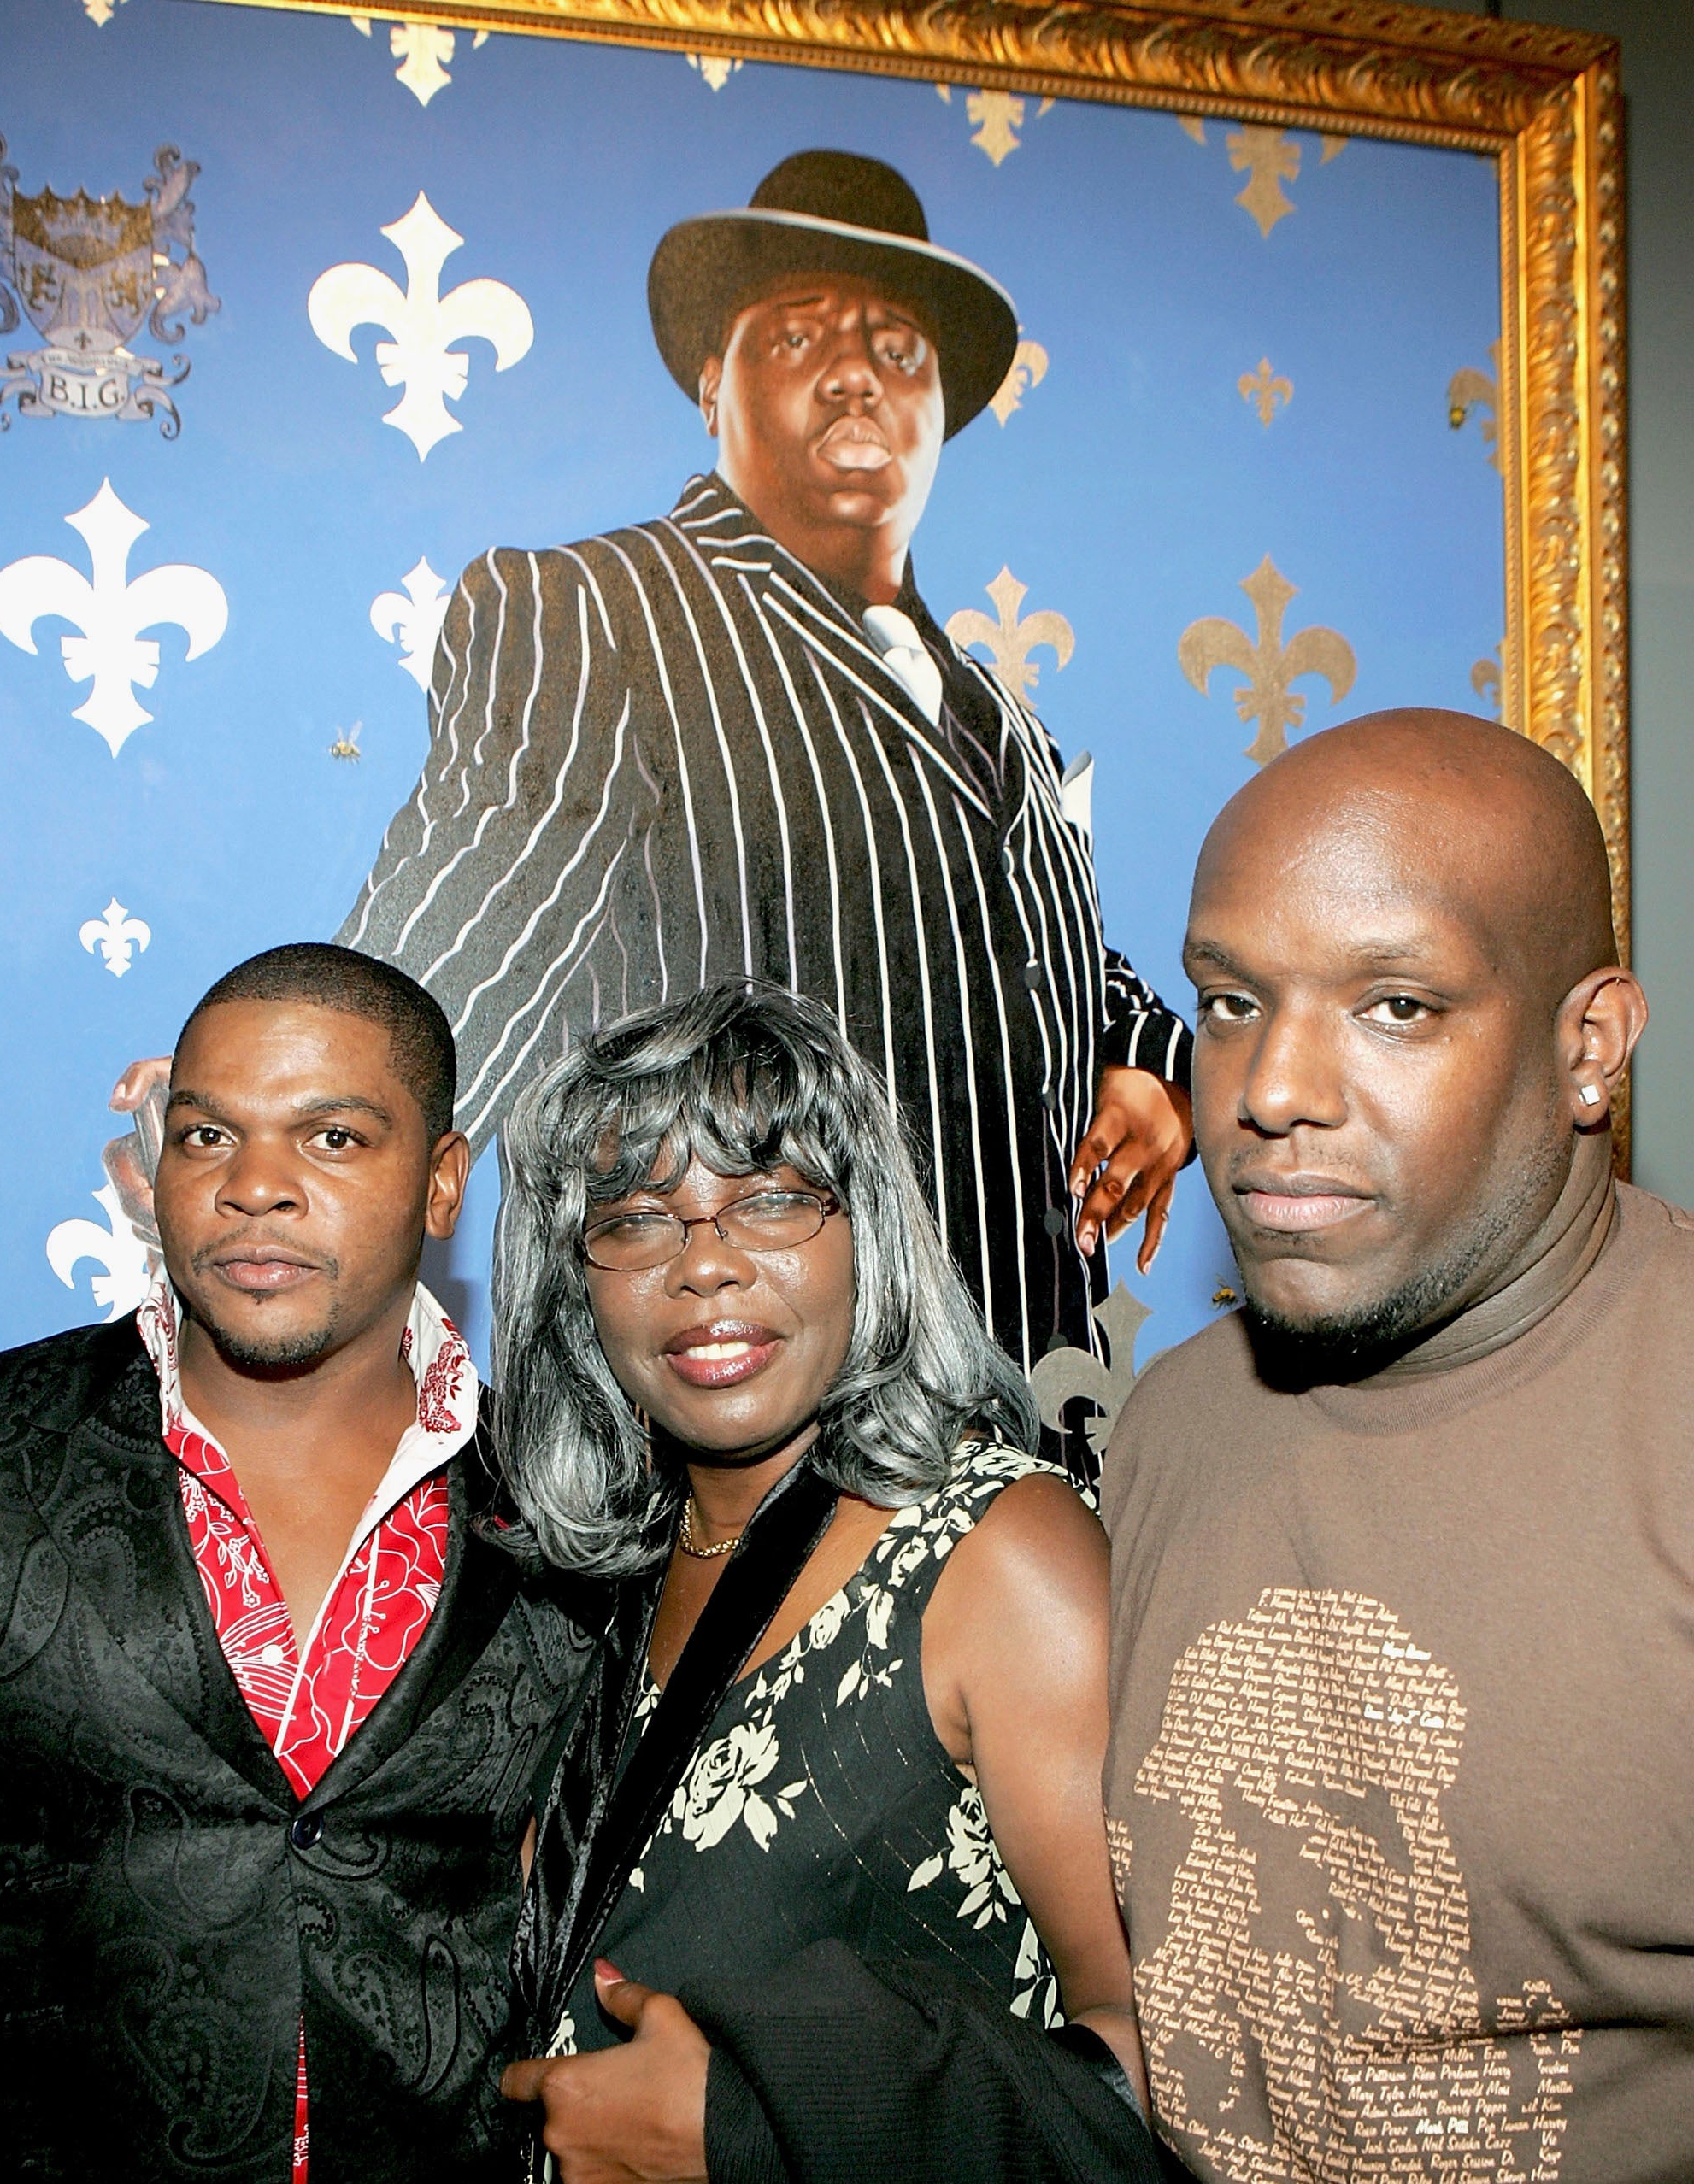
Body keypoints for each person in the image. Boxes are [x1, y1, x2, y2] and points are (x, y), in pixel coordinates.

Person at [491, 979, 1273, 2184]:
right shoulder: (620, 1580)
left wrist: (761, 2131)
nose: (704, 1262)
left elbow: (1188, 2078)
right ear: (579, 1286)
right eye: (635, 1219)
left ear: (873, 1233)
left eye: (773, 1196)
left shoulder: (1000, 1555)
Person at [1102, 708, 1690, 2184]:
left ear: (1585, 1049)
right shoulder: (1164, 1431)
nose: (1266, 1089)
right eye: (1224, 1002)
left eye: (1393, 1008)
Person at [335, 146, 1192, 1380]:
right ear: (708, 385)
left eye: (898, 348)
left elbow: (1035, 962)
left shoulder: (1006, 719)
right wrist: (307, 1108)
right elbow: (457, 964)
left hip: (1033, 1438)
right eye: (797, 337)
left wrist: (1150, 1069)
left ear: (940, 408)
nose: (855, 374)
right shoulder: (599, 614)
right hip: (748, 1464)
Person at [0, 944, 596, 2184]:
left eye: (333, 1136)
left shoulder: (587, 1512)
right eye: (206, 1133)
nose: (255, 1188)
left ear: (443, 1181)